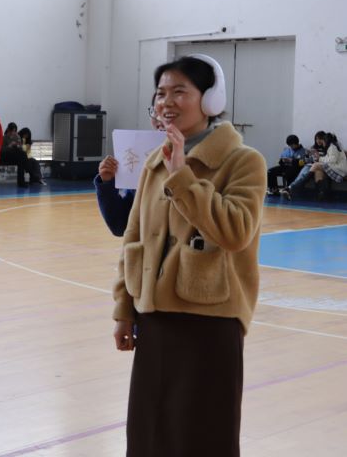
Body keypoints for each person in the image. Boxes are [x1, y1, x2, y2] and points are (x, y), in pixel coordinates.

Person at [112, 54, 265, 457]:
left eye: (179, 91)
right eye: (161, 93)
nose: (166, 102)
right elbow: (133, 237)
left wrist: (182, 174)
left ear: (211, 100)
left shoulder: (244, 161)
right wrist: (124, 310)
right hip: (154, 318)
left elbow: (235, 232)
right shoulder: (154, 160)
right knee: (149, 434)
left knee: (204, 435)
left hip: (211, 321)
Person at [95, 98, 164, 236]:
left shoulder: (201, 161)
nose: (159, 120)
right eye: (155, 112)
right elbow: (120, 225)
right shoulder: (143, 160)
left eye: (168, 113)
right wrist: (107, 182)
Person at [281, 132, 345, 201]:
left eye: (320, 139)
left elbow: (331, 160)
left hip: (336, 168)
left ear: (325, 140)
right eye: (316, 139)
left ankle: (291, 188)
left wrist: (319, 157)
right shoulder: (319, 147)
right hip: (323, 166)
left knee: (315, 166)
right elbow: (309, 160)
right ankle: (321, 195)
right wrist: (310, 156)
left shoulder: (331, 147)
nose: (319, 141)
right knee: (314, 168)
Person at [0, 122, 31, 187]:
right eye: (12, 131)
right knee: (23, 156)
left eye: (14, 131)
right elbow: (2, 151)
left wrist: (17, 145)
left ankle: (21, 182)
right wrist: (9, 146)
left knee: (21, 159)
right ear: (8, 130)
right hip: (6, 157)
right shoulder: (4, 138)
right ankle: (27, 170)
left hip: (16, 156)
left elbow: (20, 148)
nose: (13, 133)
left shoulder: (17, 137)